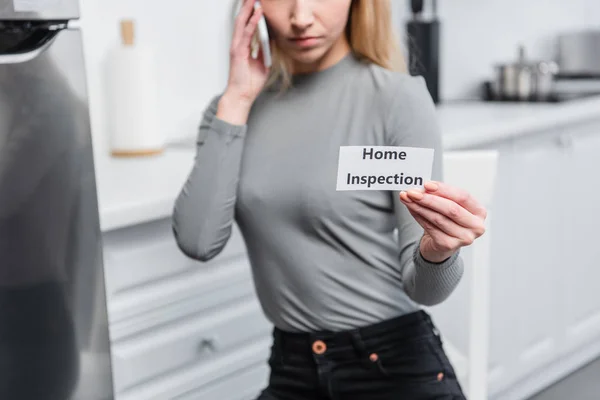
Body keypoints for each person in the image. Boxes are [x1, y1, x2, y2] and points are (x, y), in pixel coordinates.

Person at [172, 0, 487, 398]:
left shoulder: (396, 98)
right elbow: (198, 242)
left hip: (392, 366)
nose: (301, 17)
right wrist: (236, 98)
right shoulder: (231, 113)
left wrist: (439, 250)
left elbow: (425, 289)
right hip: (292, 369)